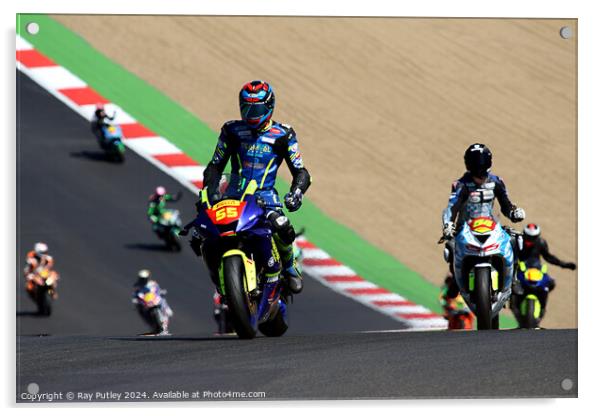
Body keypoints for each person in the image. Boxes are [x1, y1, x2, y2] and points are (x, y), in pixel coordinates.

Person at [194, 80, 311, 294]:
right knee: (200, 234)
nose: (250, 113)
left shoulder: (284, 134)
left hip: (266, 197)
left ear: (268, 106)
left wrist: (296, 193)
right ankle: (221, 279)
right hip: (234, 195)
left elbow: (301, 172)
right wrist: (208, 192)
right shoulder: (232, 130)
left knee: (283, 228)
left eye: (255, 108)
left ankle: (290, 267)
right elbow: (215, 166)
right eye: (245, 107)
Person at [441, 143, 526, 298]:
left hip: (490, 225)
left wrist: (514, 213)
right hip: (465, 228)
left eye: (481, 169)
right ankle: (456, 278)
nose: (479, 175)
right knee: (451, 246)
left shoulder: (497, 182)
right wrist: (448, 224)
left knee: (515, 240)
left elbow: (506, 205)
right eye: (475, 170)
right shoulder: (460, 185)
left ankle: (513, 280)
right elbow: (452, 207)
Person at [515, 223, 576, 297]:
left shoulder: (541, 243)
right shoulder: (517, 242)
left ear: (537, 236)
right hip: (519, 269)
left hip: (536, 269)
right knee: (510, 283)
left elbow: (548, 257)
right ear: (524, 234)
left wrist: (564, 264)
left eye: (533, 237)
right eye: (528, 237)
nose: (530, 240)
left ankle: (542, 306)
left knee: (551, 283)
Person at [131, 269, 173, 335]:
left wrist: (161, 292)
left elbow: (158, 290)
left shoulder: (153, 283)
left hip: (153, 299)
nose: (143, 279)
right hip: (144, 301)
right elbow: (135, 293)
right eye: (142, 278)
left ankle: (166, 312)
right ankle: (151, 324)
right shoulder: (137, 285)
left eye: (145, 278)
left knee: (162, 300)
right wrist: (136, 298)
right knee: (139, 308)